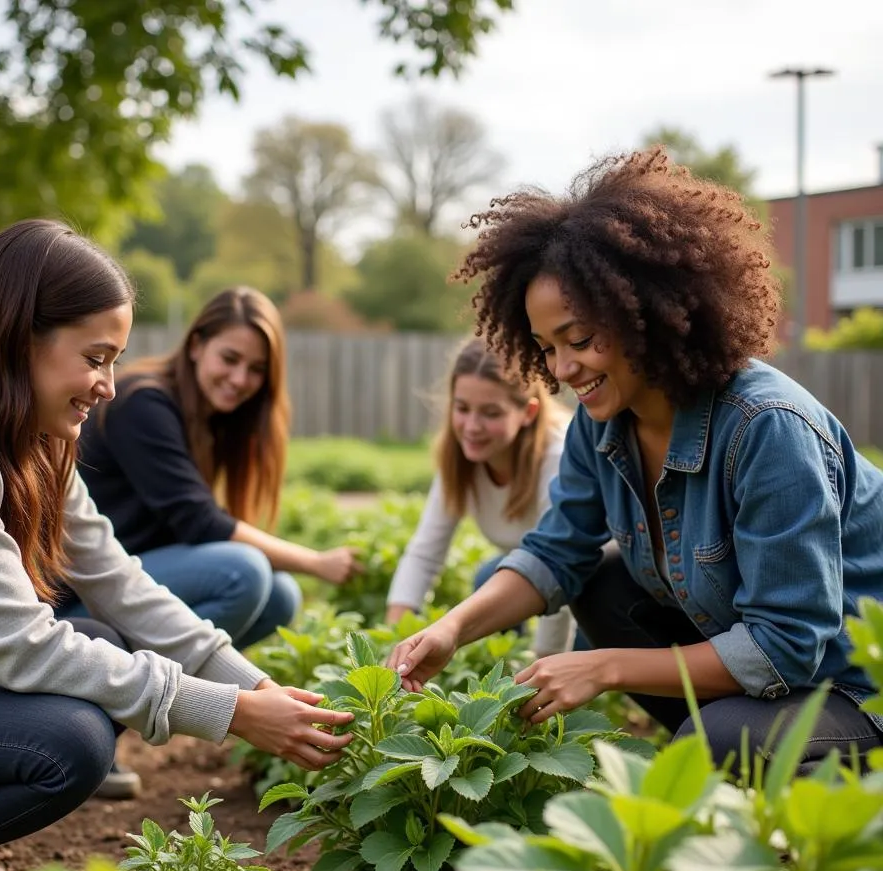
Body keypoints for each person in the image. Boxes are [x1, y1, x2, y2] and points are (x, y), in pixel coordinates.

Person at [0, 220, 353, 871]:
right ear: (18, 333)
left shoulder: (27, 433)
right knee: (68, 742)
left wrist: (265, 690)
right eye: (96, 358)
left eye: (115, 360)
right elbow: (21, 647)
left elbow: (120, 583)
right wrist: (235, 714)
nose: (109, 386)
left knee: (108, 641)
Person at [387, 148, 883, 771]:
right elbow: (554, 553)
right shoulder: (602, 427)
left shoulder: (768, 428)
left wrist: (604, 667)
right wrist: (450, 629)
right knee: (600, 582)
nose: (563, 370)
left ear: (644, 314)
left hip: (855, 687)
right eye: (546, 348)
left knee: (720, 740)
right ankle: (728, 749)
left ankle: (741, 752)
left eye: (582, 339)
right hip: (771, 684)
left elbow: (787, 646)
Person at [70, 286, 361, 797]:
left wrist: (265, 692)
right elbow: (201, 523)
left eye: (255, 370)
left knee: (279, 597)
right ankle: (99, 720)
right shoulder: (143, 401)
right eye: (231, 359)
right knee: (243, 573)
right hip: (82, 590)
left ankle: (120, 712)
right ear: (197, 343)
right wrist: (317, 561)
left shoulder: (211, 419)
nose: (241, 379)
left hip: (134, 574)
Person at [385, 337, 575, 655]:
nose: (472, 426)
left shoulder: (558, 457)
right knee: (491, 576)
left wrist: (544, 670)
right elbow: (424, 553)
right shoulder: (459, 458)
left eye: (490, 413)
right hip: (531, 576)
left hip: (592, 587)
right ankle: (506, 665)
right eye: (462, 408)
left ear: (528, 412)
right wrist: (393, 638)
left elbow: (561, 569)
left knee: (575, 643)